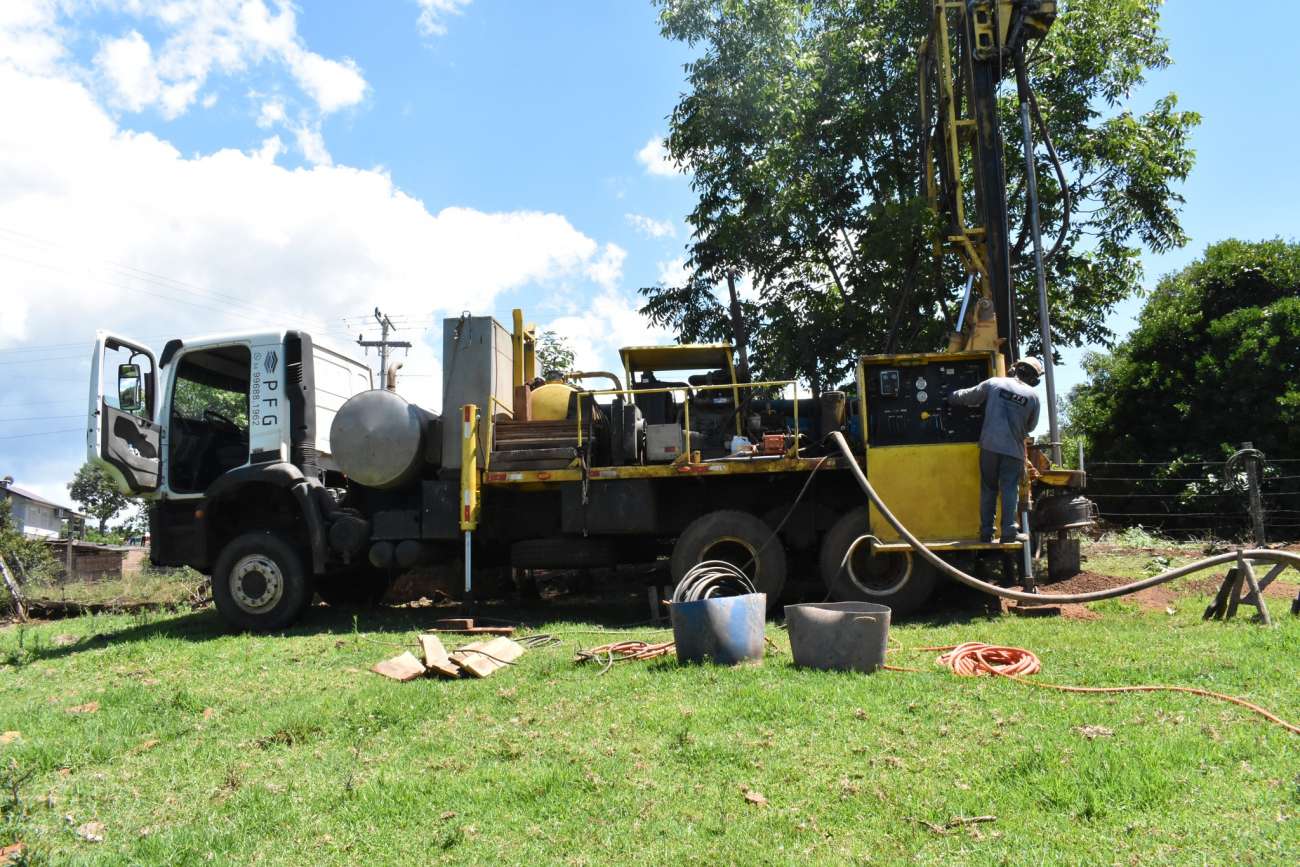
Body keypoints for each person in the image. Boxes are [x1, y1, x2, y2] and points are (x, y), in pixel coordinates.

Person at [947, 357, 1043, 543]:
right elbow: (1031, 427)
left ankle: (986, 533)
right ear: (1034, 379)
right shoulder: (1033, 397)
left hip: (989, 447)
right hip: (1013, 451)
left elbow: (967, 396)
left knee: (989, 488)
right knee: (1009, 489)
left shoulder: (994, 383)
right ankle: (1009, 533)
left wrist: (948, 396)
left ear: (1015, 369)